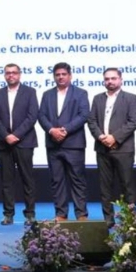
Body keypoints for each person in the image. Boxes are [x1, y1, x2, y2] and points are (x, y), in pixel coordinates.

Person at [38, 62, 90, 220]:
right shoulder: (47, 94)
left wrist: (65, 130)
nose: (60, 77)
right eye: (57, 75)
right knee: (57, 181)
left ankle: (81, 214)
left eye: (64, 74)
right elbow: (41, 116)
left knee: (77, 180)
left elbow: (84, 115)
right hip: (53, 144)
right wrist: (51, 130)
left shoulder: (81, 93)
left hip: (74, 144)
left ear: (70, 76)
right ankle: (61, 214)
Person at [0, 63, 39, 225]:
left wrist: (16, 135)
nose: (11, 75)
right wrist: (6, 136)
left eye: (14, 72)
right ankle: (8, 214)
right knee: (6, 181)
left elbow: (32, 116)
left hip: (24, 142)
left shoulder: (30, 92)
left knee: (27, 179)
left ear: (19, 74)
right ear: (4, 75)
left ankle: (30, 214)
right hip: (3, 143)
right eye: (8, 73)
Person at [88, 68, 136, 221]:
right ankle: (108, 219)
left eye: (113, 78)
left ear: (120, 80)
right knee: (105, 187)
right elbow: (91, 121)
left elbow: (133, 122)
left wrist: (114, 137)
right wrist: (101, 136)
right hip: (102, 148)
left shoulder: (131, 98)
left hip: (123, 149)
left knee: (127, 186)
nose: (110, 81)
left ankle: (130, 220)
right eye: (107, 79)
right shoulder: (97, 98)